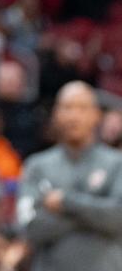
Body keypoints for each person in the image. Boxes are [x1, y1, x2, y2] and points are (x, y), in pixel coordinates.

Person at [18, 81, 122, 270]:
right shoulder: (37, 166)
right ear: (56, 114)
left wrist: (66, 202)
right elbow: (29, 228)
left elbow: (118, 218)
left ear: (97, 115)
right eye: (67, 108)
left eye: (82, 108)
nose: (74, 116)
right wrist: (95, 210)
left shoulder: (117, 163)